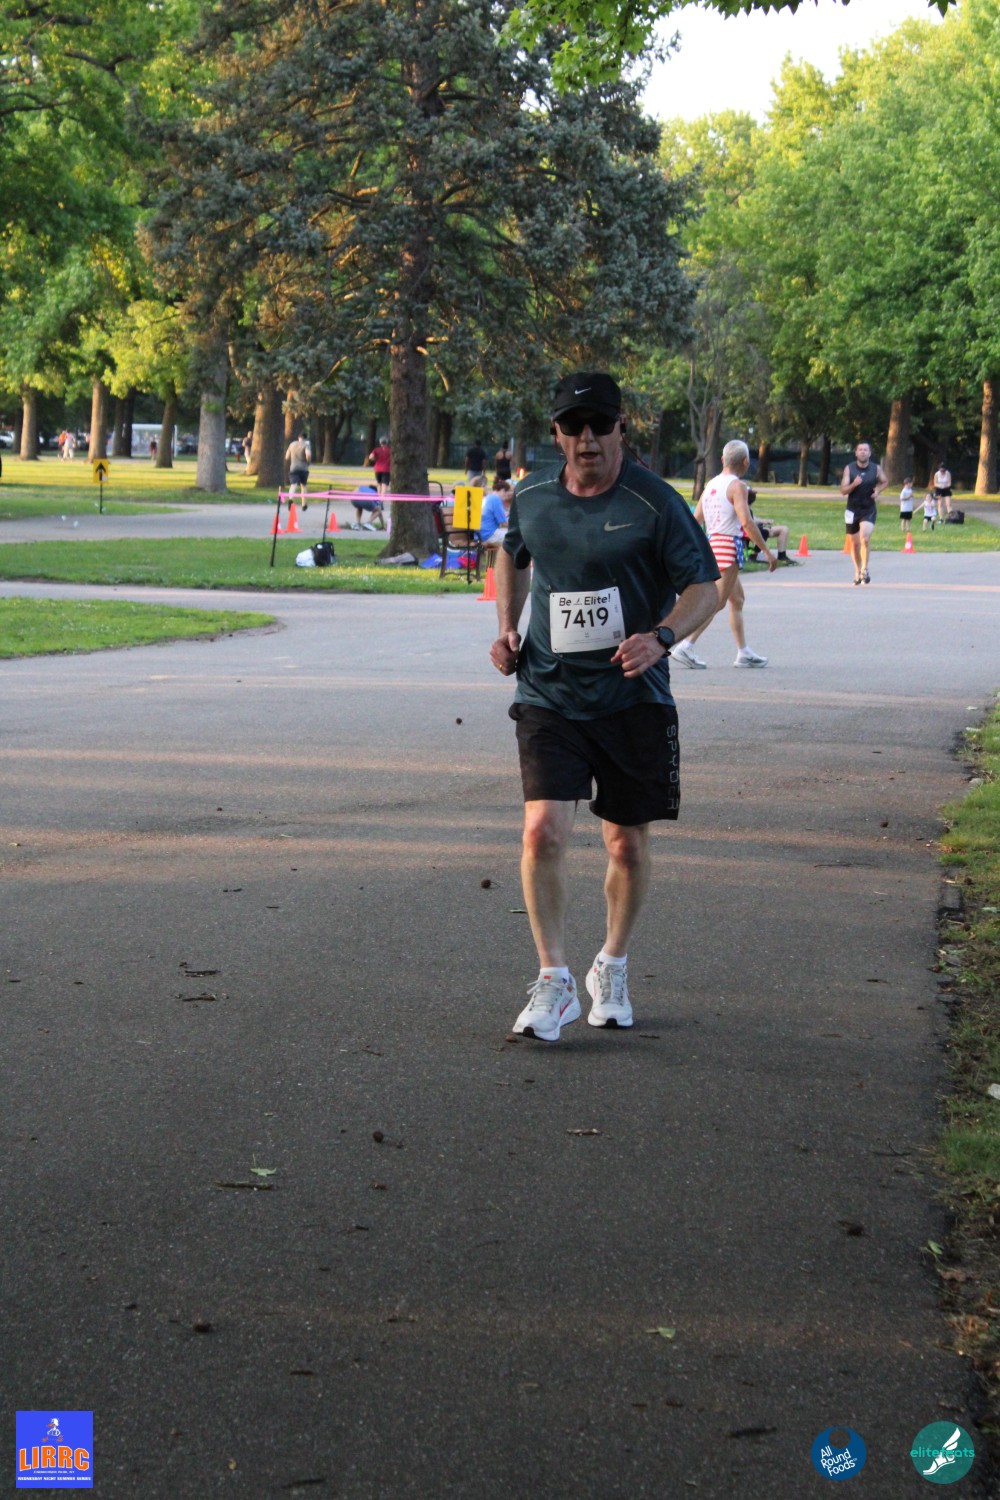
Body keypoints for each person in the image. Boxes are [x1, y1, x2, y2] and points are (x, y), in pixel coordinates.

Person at [490, 371, 719, 1042]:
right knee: (541, 833)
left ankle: (611, 965)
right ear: (557, 433)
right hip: (549, 691)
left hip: (631, 696)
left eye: (599, 425)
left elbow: (705, 587)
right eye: (573, 426)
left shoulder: (654, 501)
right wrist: (507, 627)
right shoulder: (533, 494)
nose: (586, 438)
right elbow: (512, 556)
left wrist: (662, 638)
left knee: (626, 844)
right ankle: (554, 979)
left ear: (622, 427)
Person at [670, 441, 777, 670]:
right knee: (715, 602)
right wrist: (767, 552)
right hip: (728, 547)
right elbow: (746, 522)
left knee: (736, 599)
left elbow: (696, 520)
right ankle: (686, 645)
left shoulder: (712, 484)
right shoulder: (737, 486)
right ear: (745, 462)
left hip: (713, 546)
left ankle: (743, 652)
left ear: (722, 460)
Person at [840, 440, 887, 586]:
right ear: (856, 453)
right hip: (852, 510)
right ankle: (857, 571)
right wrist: (854, 484)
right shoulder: (849, 469)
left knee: (865, 538)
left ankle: (865, 569)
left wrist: (878, 490)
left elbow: (885, 482)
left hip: (868, 509)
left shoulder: (876, 468)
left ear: (869, 453)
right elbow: (843, 491)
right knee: (854, 544)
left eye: (865, 450)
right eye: (860, 450)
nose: (862, 452)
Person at [478, 479, 513, 549]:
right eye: (506, 493)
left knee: (508, 532)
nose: (506, 496)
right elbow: (504, 522)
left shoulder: (488, 498)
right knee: (516, 537)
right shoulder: (496, 499)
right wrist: (517, 526)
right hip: (489, 534)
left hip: (480, 533)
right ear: (503, 491)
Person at [285, 431, 311, 509]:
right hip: (303, 468)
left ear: (298, 438)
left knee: (293, 484)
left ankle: (290, 499)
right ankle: (304, 504)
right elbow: (308, 454)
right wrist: (308, 462)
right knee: (303, 485)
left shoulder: (292, 444)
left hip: (293, 468)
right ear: (305, 438)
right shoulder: (306, 445)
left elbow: (287, 457)